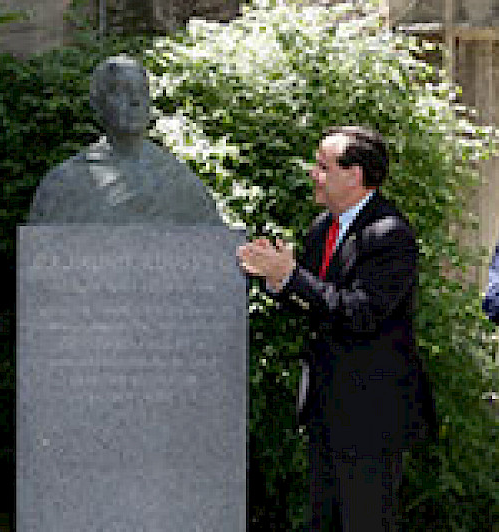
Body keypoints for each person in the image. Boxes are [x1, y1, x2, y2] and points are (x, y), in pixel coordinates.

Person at [237, 126, 436, 531]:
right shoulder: (320, 228)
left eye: (323, 167)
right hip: (326, 408)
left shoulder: (390, 234)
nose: (313, 174)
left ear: (355, 174)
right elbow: (313, 302)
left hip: (371, 414)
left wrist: (292, 276)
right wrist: (278, 280)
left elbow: (360, 312)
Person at [29, 55, 222, 224]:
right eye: (121, 91)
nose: (135, 100)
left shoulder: (180, 181)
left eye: (142, 91)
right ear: (98, 103)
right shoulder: (63, 185)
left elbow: (213, 246)